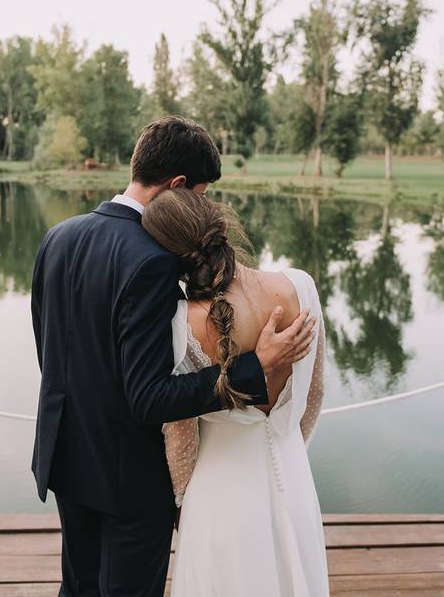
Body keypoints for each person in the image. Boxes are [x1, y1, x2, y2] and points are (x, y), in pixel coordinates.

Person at [31, 116, 317, 597]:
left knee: (77, 589)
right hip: (128, 480)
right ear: (179, 186)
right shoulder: (153, 259)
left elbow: (49, 352)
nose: (201, 207)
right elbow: (148, 397)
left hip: (64, 457)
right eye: (201, 195)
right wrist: (256, 367)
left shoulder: (58, 237)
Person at [142, 188, 330, 596]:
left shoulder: (179, 325)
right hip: (295, 483)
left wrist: (180, 503)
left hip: (219, 501)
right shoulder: (301, 287)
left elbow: (180, 435)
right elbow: (314, 395)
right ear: (223, 226)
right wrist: (286, 448)